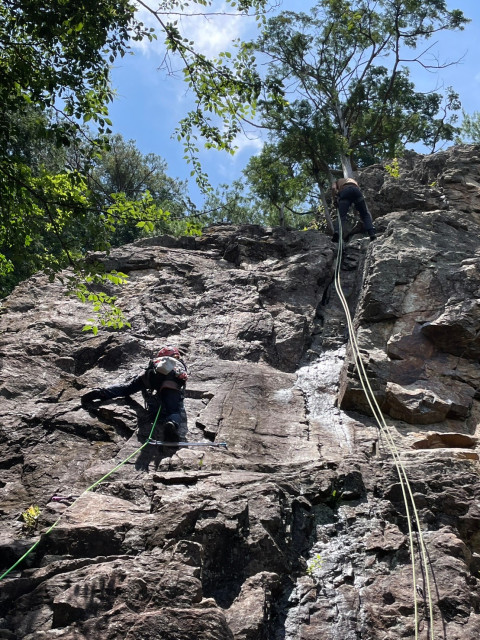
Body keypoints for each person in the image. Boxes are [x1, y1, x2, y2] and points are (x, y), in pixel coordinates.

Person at [81, 345, 188, 441]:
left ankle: (101, 393)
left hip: (149, 377)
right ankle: (171, 423)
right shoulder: (179, 363)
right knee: (173, 410)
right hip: (170, 382)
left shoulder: (157, 360)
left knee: (126, 388)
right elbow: (182, 379)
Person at [331, 177, 376, 242]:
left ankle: (337, 233)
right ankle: (371, 233)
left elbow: (333, 188)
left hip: (345, 192)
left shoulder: (337, 181)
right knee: (365, 214)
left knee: (342, 216)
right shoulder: (352, 180)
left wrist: (334, 200)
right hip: (356, 190)